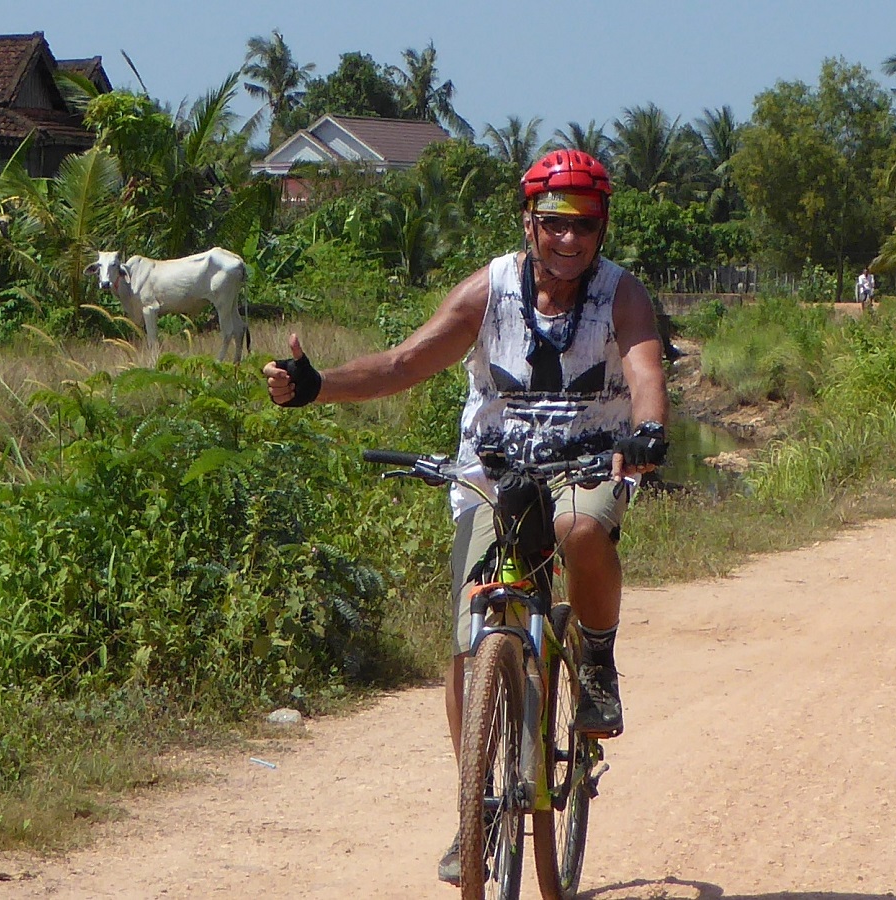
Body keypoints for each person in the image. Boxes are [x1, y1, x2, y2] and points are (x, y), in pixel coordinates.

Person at [261, 148, 669, 885]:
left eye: (584, 226)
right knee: (471, 643)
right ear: (528, 222)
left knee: (580, 530)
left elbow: (645, 369)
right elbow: (402, 363)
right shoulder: (490, 291)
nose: (569, 240)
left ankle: (598, 659)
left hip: (586, 467)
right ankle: (474, 808)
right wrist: (315, 386)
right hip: (494, 475)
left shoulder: (621, 295)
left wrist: (645, 433)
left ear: (602, 228)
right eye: (553, 225)